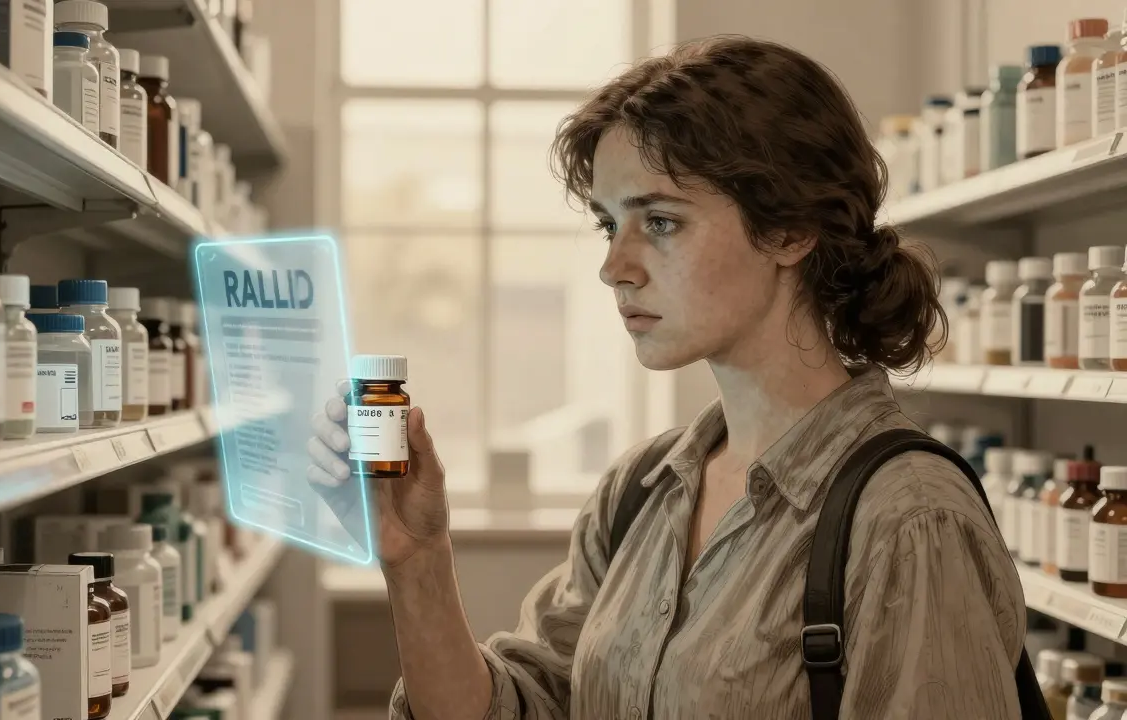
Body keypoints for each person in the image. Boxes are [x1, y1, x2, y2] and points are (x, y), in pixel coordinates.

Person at [308, 36, 1026, 719]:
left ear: (790, 231)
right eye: (607, 224)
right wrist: (418, 562)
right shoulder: (640, 491)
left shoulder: (909, 518)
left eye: (658, 222)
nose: (614, 266)